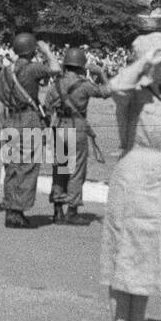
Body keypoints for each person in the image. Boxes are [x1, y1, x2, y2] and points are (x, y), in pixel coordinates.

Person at [100, 30, 161, 321]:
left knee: (152, 255)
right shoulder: (132, 92)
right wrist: (144, 62)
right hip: (135, 180)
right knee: (128, 257)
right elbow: (114, 87)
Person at [0, 31, 60, 228]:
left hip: (9, 119)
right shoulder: (32, 68)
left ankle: (10, 209)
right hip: (27, 119)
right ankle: (18, 211)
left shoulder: (5, 71)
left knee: (11, 167)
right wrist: (47, 50)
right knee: (27, 166)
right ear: (32, 51)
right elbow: (56, 69)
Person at [45, 45, 110, 225]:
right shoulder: (85, 85)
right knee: (76, 171)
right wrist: (102, 74)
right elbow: (107, 92)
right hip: (77, 127)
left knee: (60, 168)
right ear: (81, 66)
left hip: (59, 127)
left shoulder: (56, 83)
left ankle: (57, 210)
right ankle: (72, 211)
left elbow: (47, 106)